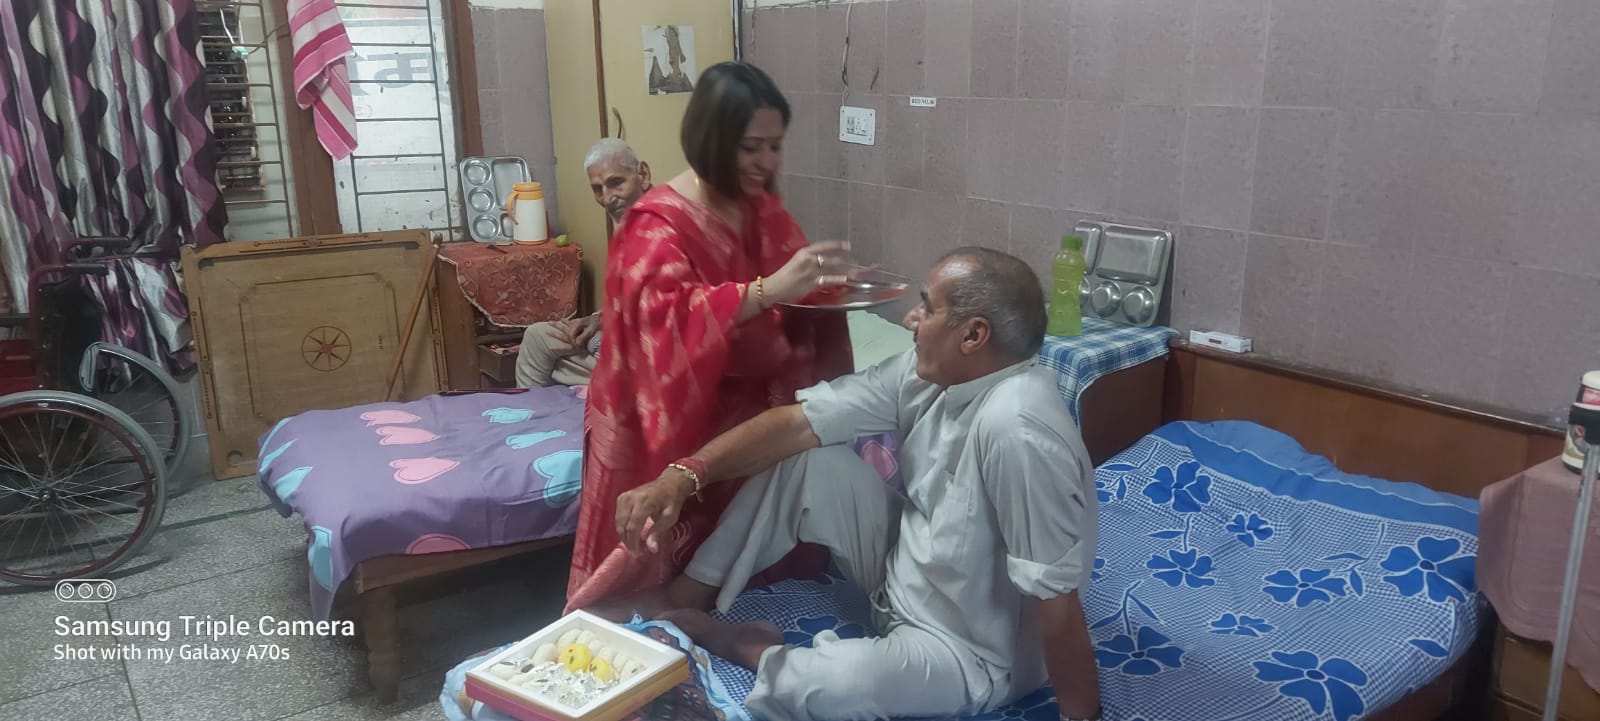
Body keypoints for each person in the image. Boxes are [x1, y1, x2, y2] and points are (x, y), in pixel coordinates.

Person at [613, 248, 1103, 721]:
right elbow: (799, 424)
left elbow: (1056, 600)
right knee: (809, 461)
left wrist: (1083, 715)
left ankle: (745, 647)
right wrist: (684, 475)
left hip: (969, 649)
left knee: (830, 685)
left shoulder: (1017, 427)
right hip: (904, 573)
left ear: (973, 335)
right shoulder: (930, 376)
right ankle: (685, 595)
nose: (910, 319)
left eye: (928, 307)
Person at [566, 62, 856, 610]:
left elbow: (791, 287)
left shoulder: (760, 209)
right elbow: (661, 327)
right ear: (711, 140)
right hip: (661, 417)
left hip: (741, 413)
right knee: (656, 565)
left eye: (775, 146)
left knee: (746, 561)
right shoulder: (655, 224)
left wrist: (825, 290)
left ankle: (746, 620)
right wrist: (770, 289)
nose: (766, 162)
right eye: (751, 148)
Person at [514, 138, 652, 388]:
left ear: (642, 174)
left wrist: (605, 334)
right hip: (621, 340)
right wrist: (599, 319)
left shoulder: (663, 225)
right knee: (538, 338)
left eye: (616, 183)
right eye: (598, 189)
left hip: (651, 359)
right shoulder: (629, 223)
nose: (607, 198)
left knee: (549, 363)